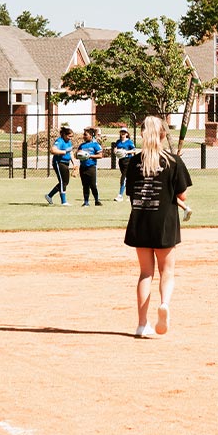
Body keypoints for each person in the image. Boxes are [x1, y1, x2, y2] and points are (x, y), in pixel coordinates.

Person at [119, 114, 192, 337]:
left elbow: (131, 192)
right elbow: (182, 195)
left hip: (140, 220)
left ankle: (142, 324)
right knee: (167, 271)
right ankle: (165, 304)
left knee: (145, 273)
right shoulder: (173, 161)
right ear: (163, 134)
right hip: (165, 221)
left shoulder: (134, 161)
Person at [45, 123, 74, 205]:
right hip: (58, 162)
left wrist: (74, 163)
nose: (70, 138)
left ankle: (49, 196)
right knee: (63, 182)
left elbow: (71, 152)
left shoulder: (69, 142)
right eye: (69, 136)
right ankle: (64, 201)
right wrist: (64, 152)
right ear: (64, 134)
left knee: (65, 182)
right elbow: (53, 150)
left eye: (72, 136)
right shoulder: (60, 141)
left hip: (66, 163)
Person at [76, 127, 104, 207]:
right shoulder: (82, 145)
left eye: (85, 135)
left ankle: (96, 200)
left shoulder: (95, 145)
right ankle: (86, 202)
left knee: (93, 185)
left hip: (91, 167)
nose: (84, 136)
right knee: (85, 185)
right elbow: (77, 155)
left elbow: (100, 155)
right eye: (83, 135)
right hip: (83, 167)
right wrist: (79, 155)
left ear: (91, 136)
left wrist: (89, 156)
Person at [111, 127, 135, 199]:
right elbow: (115, 150)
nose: (123, 134)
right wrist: (116, 151)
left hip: (128, 161)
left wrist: (126, 152)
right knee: (127, 177)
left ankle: (120, 195)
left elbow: (134, 150)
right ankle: (129, 194)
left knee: (124, 177)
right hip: (121, 161)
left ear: (127, 134)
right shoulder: (118, 142)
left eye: (124, 132)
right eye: (122, 132)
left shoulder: (129, 142)